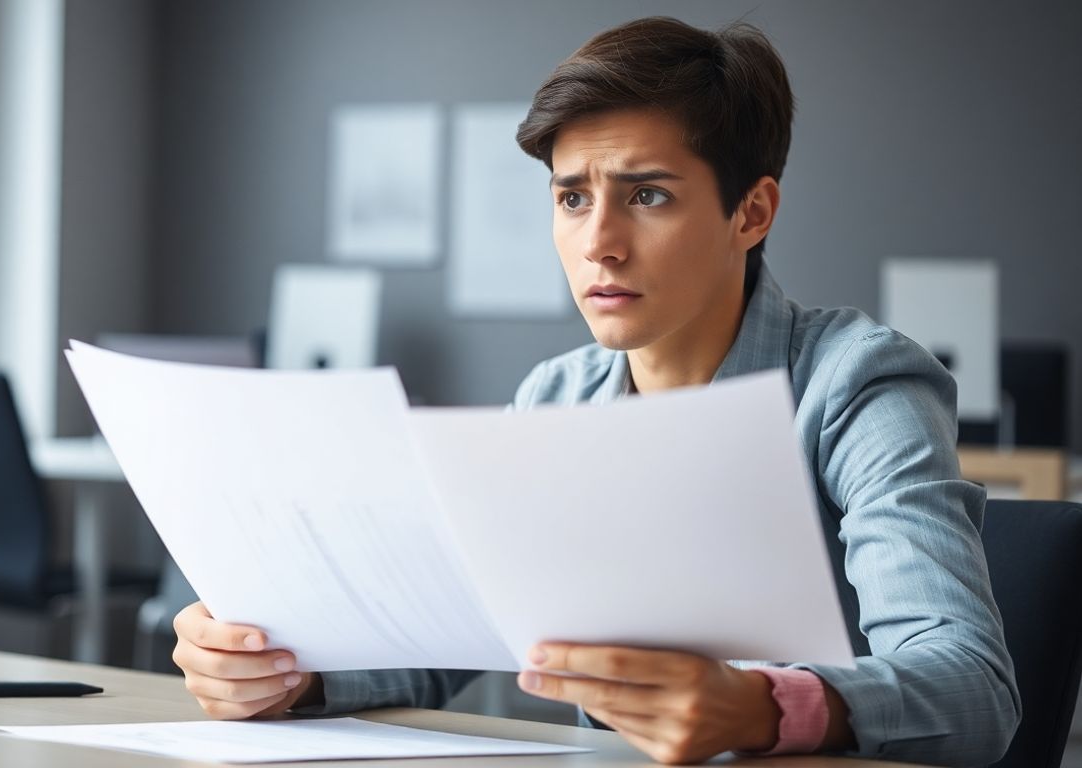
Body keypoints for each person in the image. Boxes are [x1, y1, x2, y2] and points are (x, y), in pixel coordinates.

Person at [170, 16, 1020, 766]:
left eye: (647, 195)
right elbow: (449, 636)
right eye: (573, 197)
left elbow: (972, 686)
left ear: (751, 213)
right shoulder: (556, 397)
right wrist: (288, 675)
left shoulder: (859, 381)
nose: (600, 243)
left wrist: (765, 707)